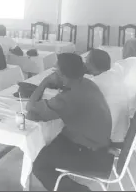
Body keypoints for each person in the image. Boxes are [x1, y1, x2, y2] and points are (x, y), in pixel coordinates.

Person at [26, 53, 112, 191]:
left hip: (91, 153)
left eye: (55, 71)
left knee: (38, 164)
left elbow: (30, 107)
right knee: (49, 141)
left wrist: (45, 81)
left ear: (62, 74)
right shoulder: (87, 83)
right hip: (98, 143)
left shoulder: (67, 99)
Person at [85, 49, 128, 142]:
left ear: (92, 65)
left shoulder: (94, 84)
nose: (84, 63)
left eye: (86, 60)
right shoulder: (115, 75)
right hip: (121, 132)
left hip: (106, 139)